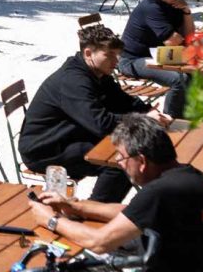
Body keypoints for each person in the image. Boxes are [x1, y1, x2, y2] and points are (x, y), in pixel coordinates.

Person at [28, 113, 203, 272]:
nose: (119, 163)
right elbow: (132, 212)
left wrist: (51, 220)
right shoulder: (189, 176)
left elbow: (99, 242)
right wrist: (75, 206)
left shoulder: (159, 192)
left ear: (142, 161)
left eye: (121, 157)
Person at [18, 23, 167, 203]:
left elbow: (122, 100)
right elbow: (101, 124)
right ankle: (94, 211)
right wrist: (143, 119)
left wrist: (149, 110)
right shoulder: (74, 80)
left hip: (73, 135)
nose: (116, 61)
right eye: (109, 55)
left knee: (137, 148)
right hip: (46, 148)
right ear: (88, 53)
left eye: (117, 55)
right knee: (120, 160)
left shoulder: (96, 72)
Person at [119, 0, 195, 118]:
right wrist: (183, 41)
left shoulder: (174, 4)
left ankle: (189, 114)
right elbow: (173, 42)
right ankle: (171, 119)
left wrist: (186, 11)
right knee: (180, 79)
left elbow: (188, 36)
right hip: (133, 59)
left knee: (196, 71)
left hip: (157, 54)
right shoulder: (151, 7)